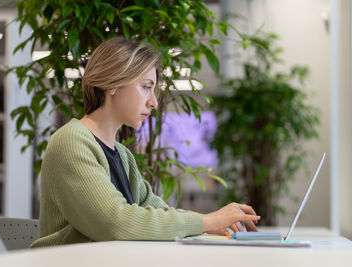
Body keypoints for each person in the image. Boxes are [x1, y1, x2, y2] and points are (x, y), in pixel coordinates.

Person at [31, 36, 260, 247]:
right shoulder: (70, 141)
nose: (154, 102)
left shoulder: (121, 154)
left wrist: (214, 223)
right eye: (146, 87)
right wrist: (208, 222)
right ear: (112, 84)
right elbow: (115, 222)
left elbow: (157, 211)